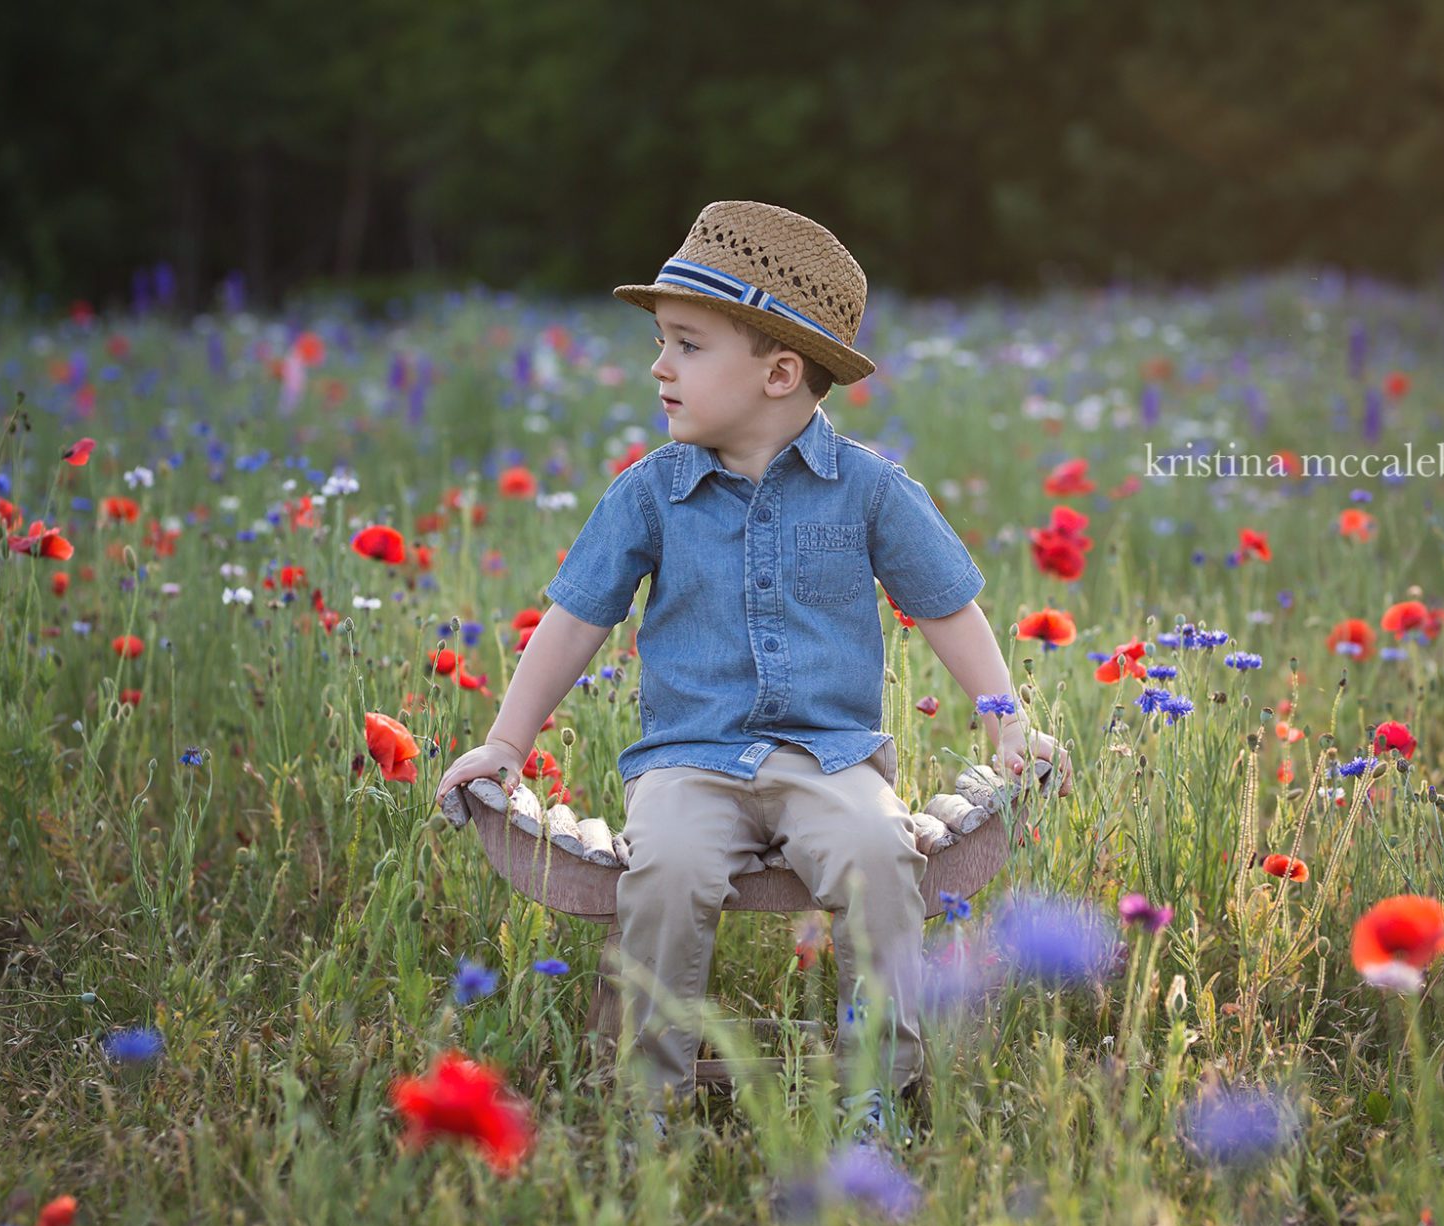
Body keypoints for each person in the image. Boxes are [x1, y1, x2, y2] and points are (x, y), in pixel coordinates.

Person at [436, 200, 1072, 1142]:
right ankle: (649, 1091)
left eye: (687, 345)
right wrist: (505, 739)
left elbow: (947, 609)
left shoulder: (870, 490)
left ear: (780, 372)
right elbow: (573, 623)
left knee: (879, 855)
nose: (659, 366)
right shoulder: (652, 491)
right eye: (662, 342)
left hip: (831, 758)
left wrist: (1006, 722)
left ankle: (877, 1088)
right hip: (688, 759)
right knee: (668, 868)